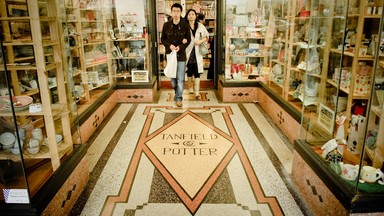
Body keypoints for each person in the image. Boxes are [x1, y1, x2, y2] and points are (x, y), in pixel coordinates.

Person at [161, 3, 191, 107]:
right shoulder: (166, 25)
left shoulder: (185, 26)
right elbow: (162, 39)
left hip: (181, 56)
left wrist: (180, 47)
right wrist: (169, 46)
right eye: (174, 11)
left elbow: (188, 40)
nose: (176, 13)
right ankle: (177, 92)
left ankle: (179, 98)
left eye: (178, 11)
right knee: (173, 80)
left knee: (180, 79)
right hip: (170, 55)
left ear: (181, 12)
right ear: (171, 12)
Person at [185, 9, 209, 99]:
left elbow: (206, 37)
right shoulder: (184, 26)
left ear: (195, 16)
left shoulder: (200, 26)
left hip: (197, 51)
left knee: (197, 71)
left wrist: (199, 41)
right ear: (187, 16)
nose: (191, 16)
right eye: (189, 14)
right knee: (189, 70)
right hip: (188, 51)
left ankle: (197, 91)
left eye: (193, 14)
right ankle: (190, 87)